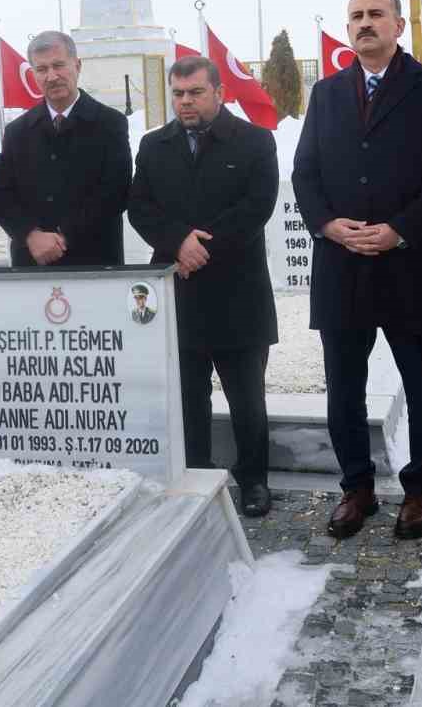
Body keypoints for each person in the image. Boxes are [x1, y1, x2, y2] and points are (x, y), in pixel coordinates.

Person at [292, 0, 422, 539]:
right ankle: (355, 488)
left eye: (375, 15)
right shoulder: (326, 93)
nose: (364, 24)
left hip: (405, 262)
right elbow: (306, 171)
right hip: (342, 265)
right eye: (356, 16)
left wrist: (399, 230)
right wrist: (326, 224)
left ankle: (420, 490)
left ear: (398, 26)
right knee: (344, 383)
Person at [129, 56, 279, 517]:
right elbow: (140, 207)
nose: (185, 102)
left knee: (247, 398)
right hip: (180, 291)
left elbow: (257, 206)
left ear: (218, 91)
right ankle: (197, 472)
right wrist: (177, 243)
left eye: (194, 92)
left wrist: (200, 248)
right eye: (177, 94)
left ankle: (253, 480)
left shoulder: (254, 141)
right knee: (189, 395)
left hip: (238, 290)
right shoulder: (155, 146)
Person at [0, 31, 131, 267]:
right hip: (32, 261)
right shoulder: (18, 131)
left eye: (58, 65)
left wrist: (63, 236)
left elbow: (116, 192)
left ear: (77, 65)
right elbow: (2, 195)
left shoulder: (110, 123)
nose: (51, 76)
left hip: (94, 261)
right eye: (42, 69)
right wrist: (31, 236)